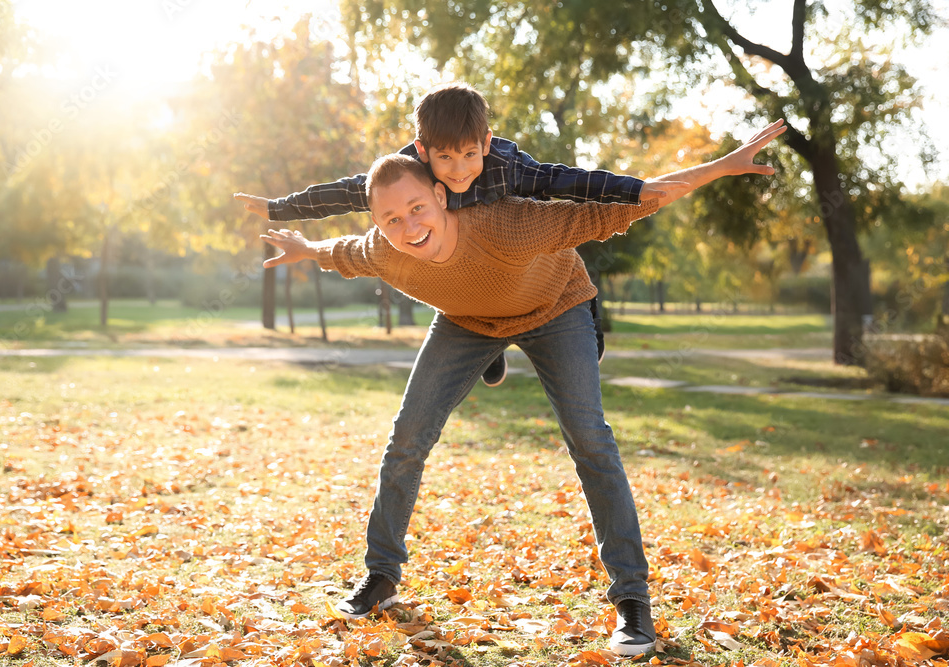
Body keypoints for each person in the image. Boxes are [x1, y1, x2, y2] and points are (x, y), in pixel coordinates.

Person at [257, 119, 786, 656]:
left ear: (441, 195)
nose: (410, 226)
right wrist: (304, 247)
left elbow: (626, 202)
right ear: (377, 221)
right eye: (391, 218)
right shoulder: (385, 249)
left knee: (590, 439)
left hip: (555, 306)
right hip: (467, 320)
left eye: (418, 208)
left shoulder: (511, 224)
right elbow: (342, 251)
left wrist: (718, 167)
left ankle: (632, 600)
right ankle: (382, 577)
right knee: (406, 438)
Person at [234, 82, 673, 388]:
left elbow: (570, 182)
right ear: (423, 152)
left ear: (485, 143)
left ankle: (587, 305)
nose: (459, 169)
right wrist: (279, 208)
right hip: (467, 269)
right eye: (445, 158)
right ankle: (490, 341)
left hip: (519, 253)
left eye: (468, 154)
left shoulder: (509, 166)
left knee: (557, 232)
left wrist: (635, 190)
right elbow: (348, 193)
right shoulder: (412, 172)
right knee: (459, 276)